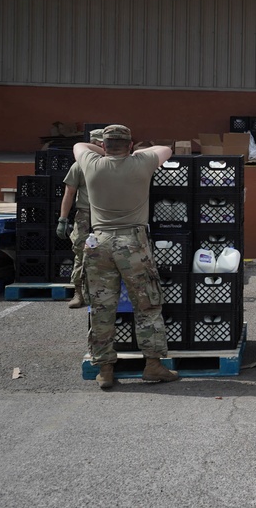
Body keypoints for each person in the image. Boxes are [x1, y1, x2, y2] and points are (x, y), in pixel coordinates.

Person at [73, 124, 177, 389]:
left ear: (105, 145)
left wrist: (101, 150)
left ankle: (105, 369)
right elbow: (166, 149)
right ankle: (153, 365)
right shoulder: (141, 163)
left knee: (101, 307)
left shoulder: (91, 164)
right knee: (146, 303)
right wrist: (132, 154)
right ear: (130, 145)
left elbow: (79, 147)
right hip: (132, 242)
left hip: (98, 243)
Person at [57, 129, 103, 309]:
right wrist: (62, 219)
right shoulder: (79, 166)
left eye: (102, 143)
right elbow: (69, 193)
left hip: (107, 214)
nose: (100, 147)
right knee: (81, 254)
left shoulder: (112, 163)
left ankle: (101, 294)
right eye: (96, 143)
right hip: (85, 214)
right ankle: (79, 292)